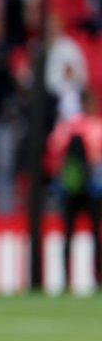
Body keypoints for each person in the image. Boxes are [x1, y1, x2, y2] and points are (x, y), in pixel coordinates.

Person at [46, 92, 102, 291]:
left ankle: (65, 280)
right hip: (93, 188)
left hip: (71, 186)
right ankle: (97, 279)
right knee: (95, 234)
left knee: (69, 233)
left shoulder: (68, 126)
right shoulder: (96, 126)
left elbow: (54, 147)